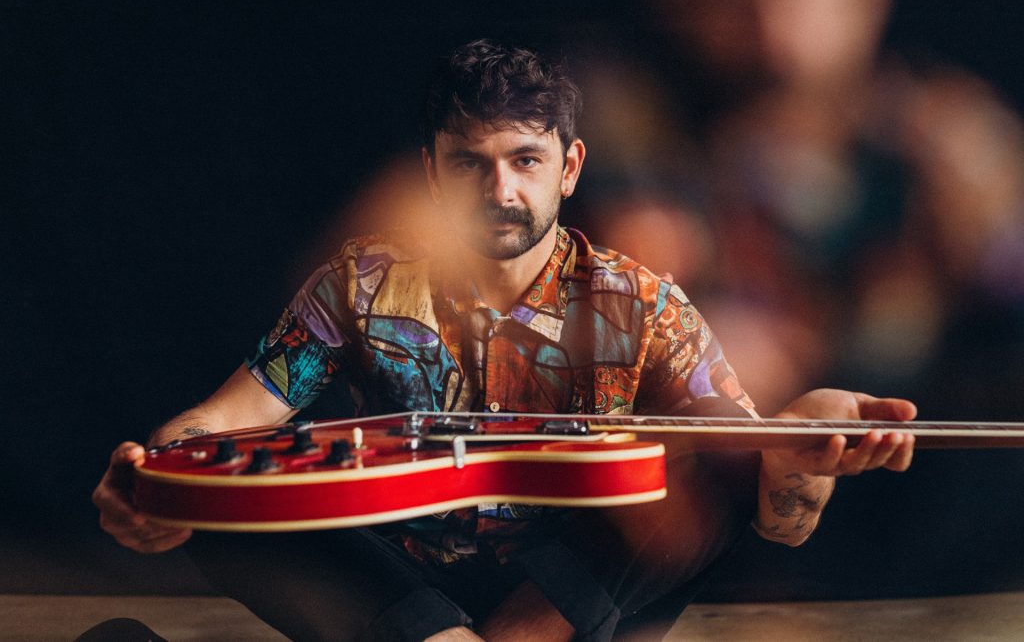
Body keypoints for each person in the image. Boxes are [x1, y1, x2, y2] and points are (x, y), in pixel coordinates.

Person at [93, 40, 916, 642]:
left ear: (570, 166)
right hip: (395, 582)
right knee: (236, 508)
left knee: (678, 476)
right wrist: (157, 477)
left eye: (526, 160)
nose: (500, 191)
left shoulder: (643, 302)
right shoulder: (359, 284)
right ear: (430, 173)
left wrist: (797, 454)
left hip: (555, 592)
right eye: (469, 164)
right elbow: (225, 419)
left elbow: (775, 519)